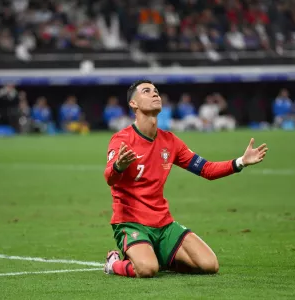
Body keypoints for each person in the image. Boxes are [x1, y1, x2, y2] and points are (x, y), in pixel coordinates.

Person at [103, 80, 268, 278]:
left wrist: (240, 162)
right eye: (147, 91)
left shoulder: (170, 142)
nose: (155, 94)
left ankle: (159, 254)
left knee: (209, 265)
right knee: (147, 270)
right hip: (130, 222)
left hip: (163, 223)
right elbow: (109, 178)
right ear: (133, 104)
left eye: (156, 91)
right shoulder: (121, 139)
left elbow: (206, 169)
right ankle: (114, 264)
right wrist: (118, 167)